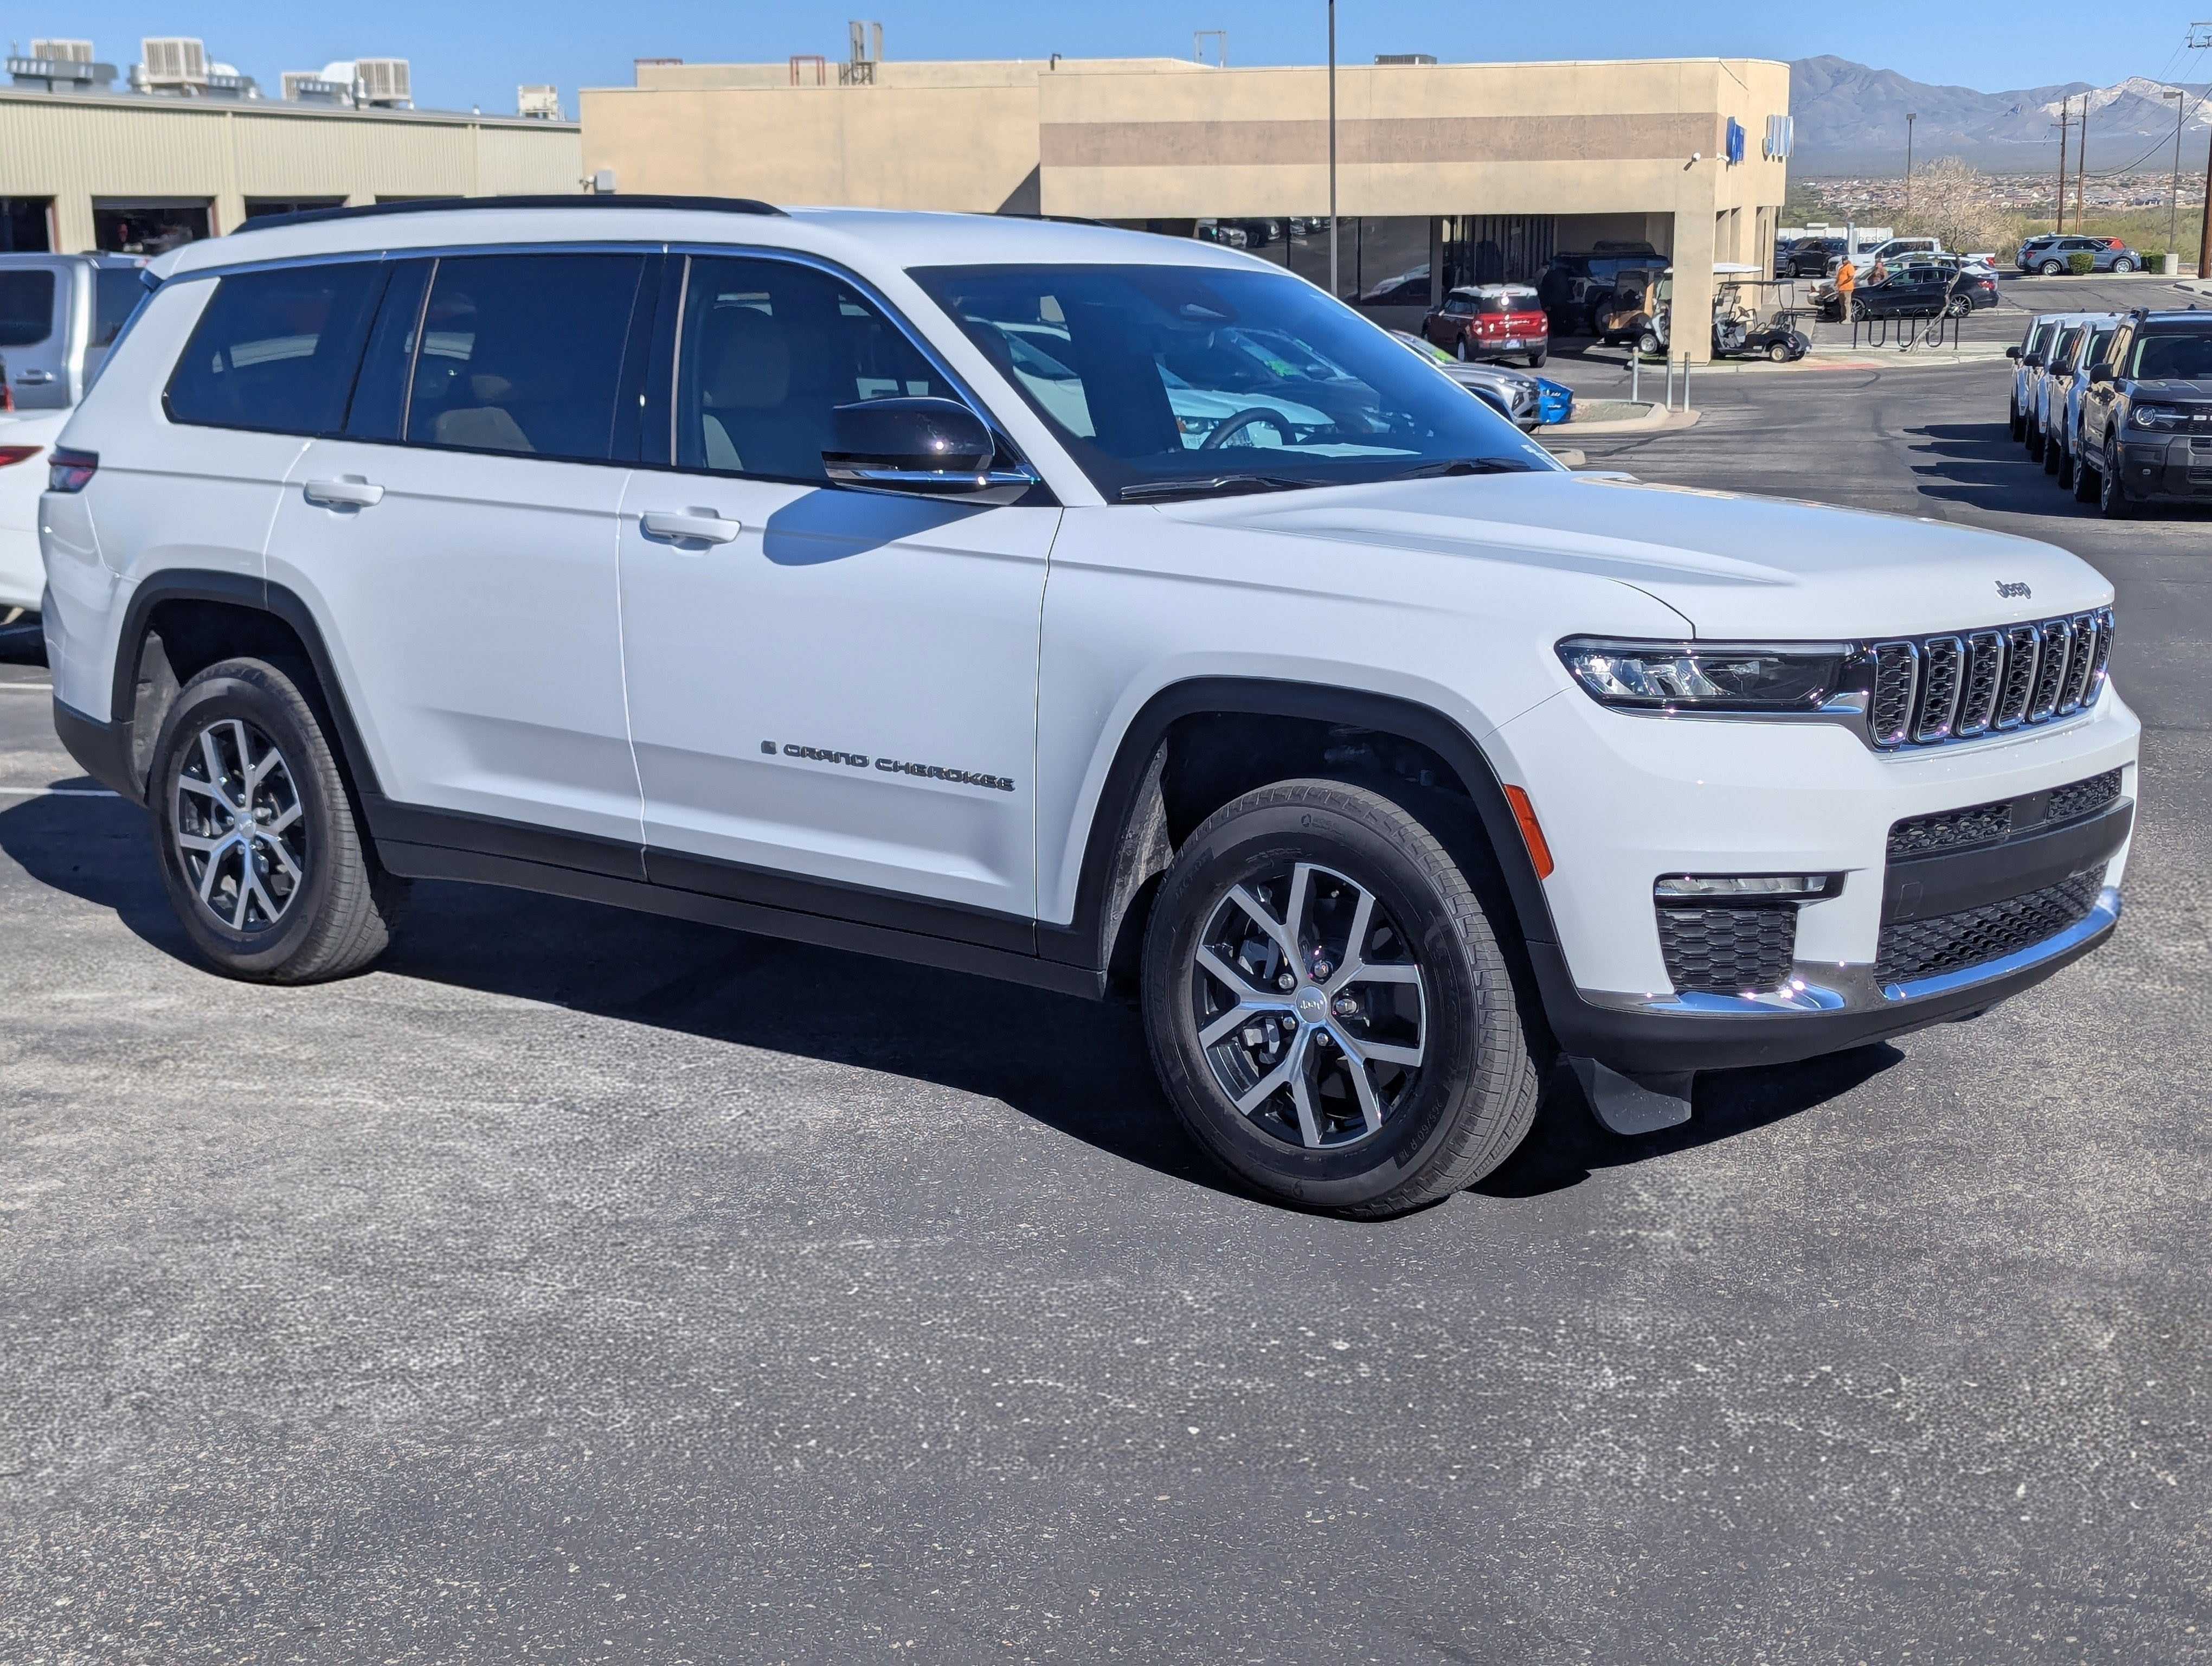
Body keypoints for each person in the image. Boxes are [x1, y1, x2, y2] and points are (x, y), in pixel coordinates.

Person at [1834, 256, 1857, 322]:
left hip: (1847, 288)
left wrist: (1843, 283)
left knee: (1847, 303)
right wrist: (1836, 283)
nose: (1844, 261)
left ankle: (1848, 319)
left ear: (1848, 260)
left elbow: (1851, 277)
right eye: (1843, 260)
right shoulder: (1842, 268)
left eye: (1845, 260)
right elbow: (1839, 277)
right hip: (1841, 289)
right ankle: (1843, 318)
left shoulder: (1850, 267)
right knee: (1842, 304)